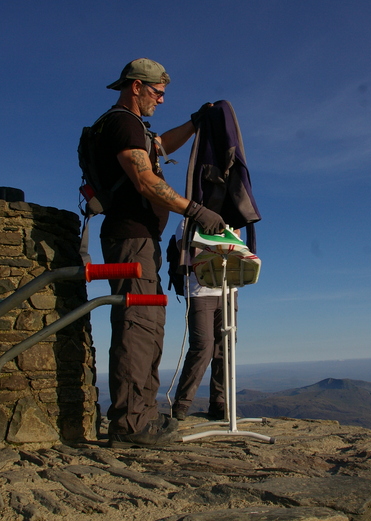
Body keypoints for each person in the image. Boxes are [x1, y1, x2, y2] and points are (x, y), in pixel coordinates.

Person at [94, 58, 225, 448]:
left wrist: (194, 122)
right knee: (138, 327)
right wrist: (195, 210)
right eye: (157, 92)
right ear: (136, 86)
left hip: (141, 240)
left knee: (149, 327)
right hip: (131, 238)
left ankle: (143, 416)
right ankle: (130, 426)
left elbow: (161, 144)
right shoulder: (121, 122)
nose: (161, 100)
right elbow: (144, 179)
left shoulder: (134, 128)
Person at [171, 221, 239, 421]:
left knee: (225, 346)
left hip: (228, 289)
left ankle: (218, 402)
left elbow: (238, 250)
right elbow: (189, 253)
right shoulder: (187, 223)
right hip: (199, 290)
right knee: (203, 346)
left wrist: (232, 236)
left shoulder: (230, 221)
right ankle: (182, 404)